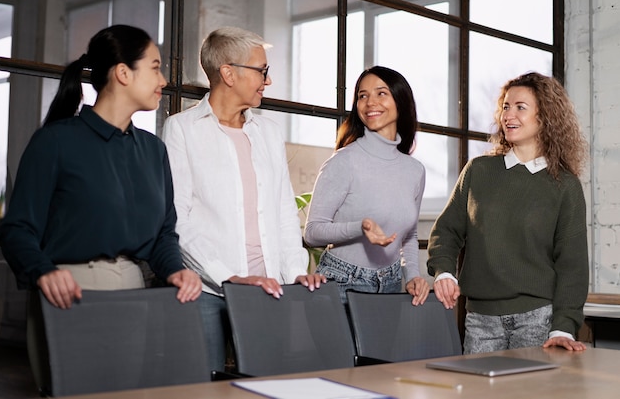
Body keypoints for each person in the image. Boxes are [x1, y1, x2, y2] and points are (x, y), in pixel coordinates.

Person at [0, 24, 202, 394]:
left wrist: (176, 270)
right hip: (70, 295)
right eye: (155, 67)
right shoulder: (55, 142)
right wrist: (43, 271)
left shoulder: (153, 151)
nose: (164, 78)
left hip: (134, 294)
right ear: (123, 73)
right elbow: (16, 229)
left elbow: (162, 234)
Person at [161, 26, 326, 372]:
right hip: (207, 290)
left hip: (267, 291)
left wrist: (295, 272)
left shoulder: (268, 132)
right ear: (228, 73)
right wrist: (228, 277)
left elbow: (283, 213)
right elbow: (179, 219)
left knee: (266, 382)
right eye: (261, 71)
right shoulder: (181, 129)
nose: (267, 81)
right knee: (203, 388)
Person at [427, 72, 589, 354]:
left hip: (539, 320)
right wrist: (443, 271)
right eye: (505, 106)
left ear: (546, 116)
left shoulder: (565, 186)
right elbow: (446, 230)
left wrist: (563, 325)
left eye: (520, 107)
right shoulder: (478, 171)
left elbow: (572, 265)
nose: (508, 115)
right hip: (479, 320)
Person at [304, 66, 430, 305]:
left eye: (381, 93)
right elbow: (312, 233)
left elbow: (409, 235)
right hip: (341, 282)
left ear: (400, 101)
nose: (370, 102)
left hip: (392, 283)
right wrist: (359, 228)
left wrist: (412, 276)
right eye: (363, 95)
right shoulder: (344, 161)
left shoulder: (414, 170)